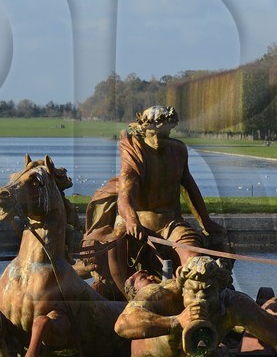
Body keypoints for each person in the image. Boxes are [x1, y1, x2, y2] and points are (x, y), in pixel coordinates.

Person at [83, 105, 224, 294]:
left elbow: (189, 187)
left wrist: (205, 221)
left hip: (172, 224)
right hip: (137, 222)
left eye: (164, 135)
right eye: (153, 134)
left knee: (194, 257)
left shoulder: (178, 150)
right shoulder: (135, 151)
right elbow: (125, 195)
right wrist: (131, 219)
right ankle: (129, 298)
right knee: (115, 247)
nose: (158, 141)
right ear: (143, 130)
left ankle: (189, 299)